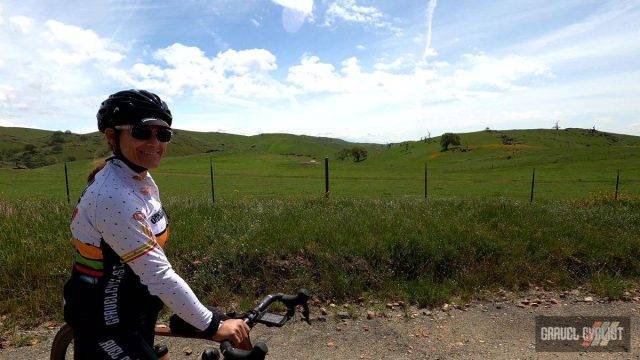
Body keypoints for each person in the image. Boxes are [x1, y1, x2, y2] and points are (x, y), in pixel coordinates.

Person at [63, 89, 250, 359]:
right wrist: (212, 325)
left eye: (163, 134)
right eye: (142, 132)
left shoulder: (140, 179)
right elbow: (158, 274)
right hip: (104, 320)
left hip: (136, 306)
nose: (155, 142)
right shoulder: (114, 196)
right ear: (112, 137)